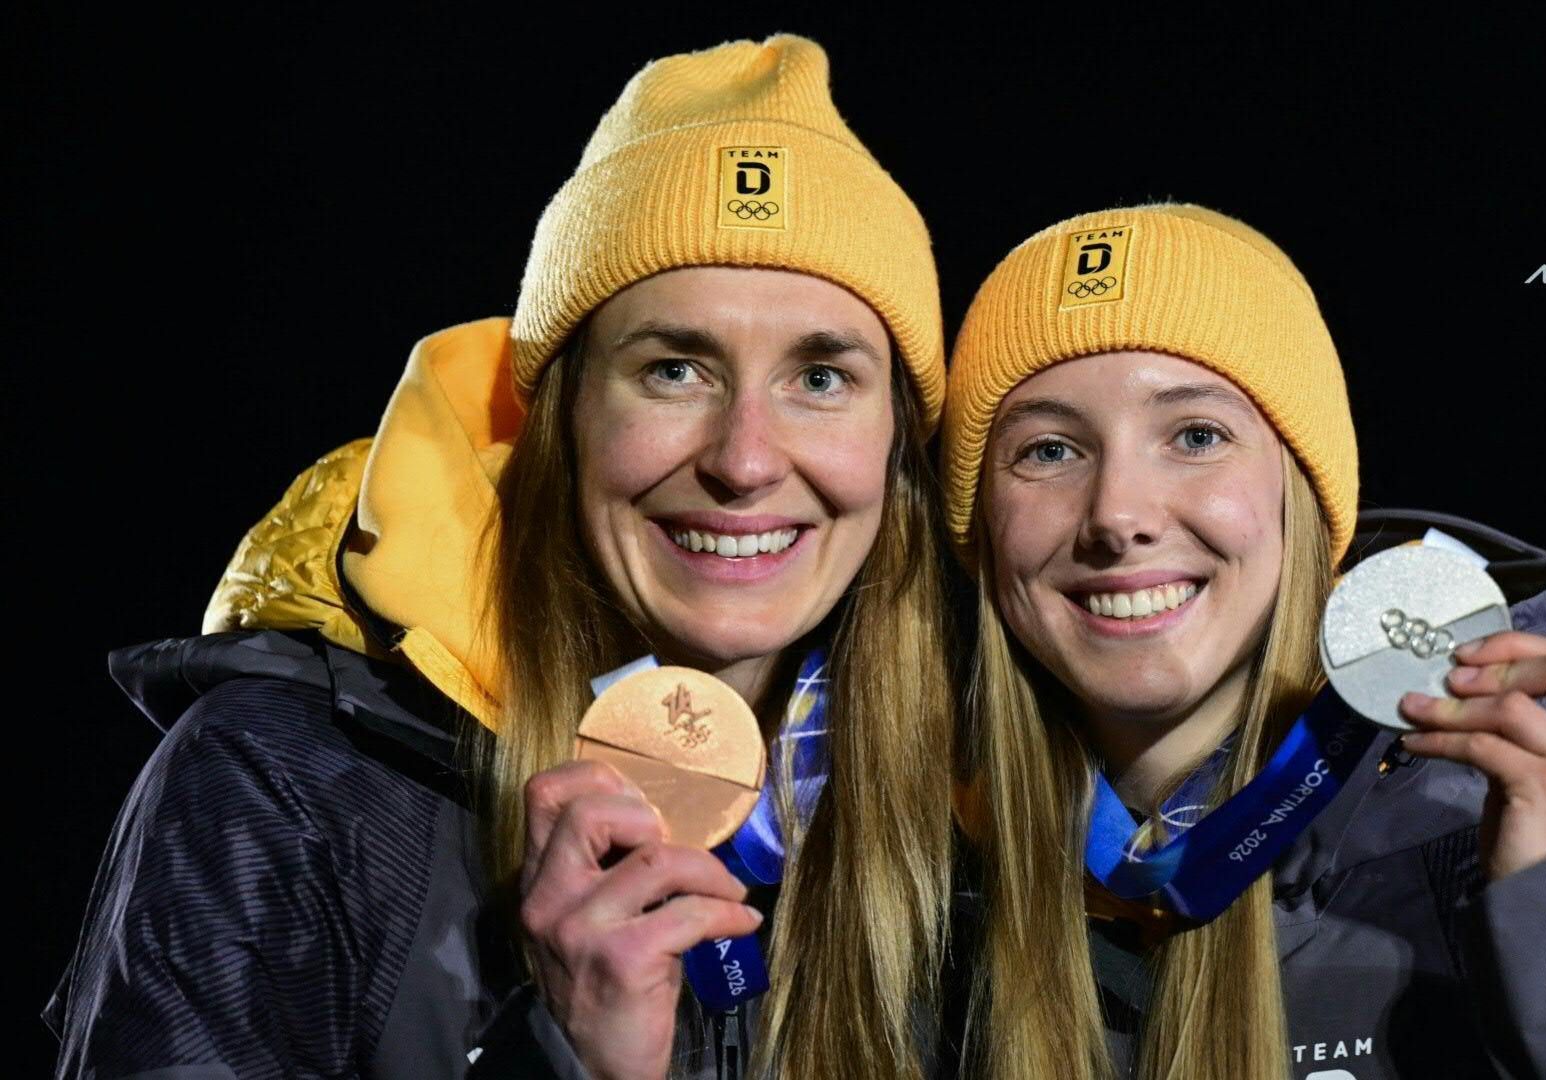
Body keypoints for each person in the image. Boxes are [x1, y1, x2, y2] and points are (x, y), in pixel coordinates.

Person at [46, 35, 959, 1080]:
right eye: (674, 368)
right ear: (560, 420)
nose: (745, 460)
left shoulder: (958, 839)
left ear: (898, 446)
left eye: (822, 379)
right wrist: (559, 1054)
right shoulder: (286, 782)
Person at [938, 203, 1546, 1079]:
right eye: (1049, 450)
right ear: (979, 526)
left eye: (1197, 435)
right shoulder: (914, 903)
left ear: (1303, 497)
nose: (1117, 513)